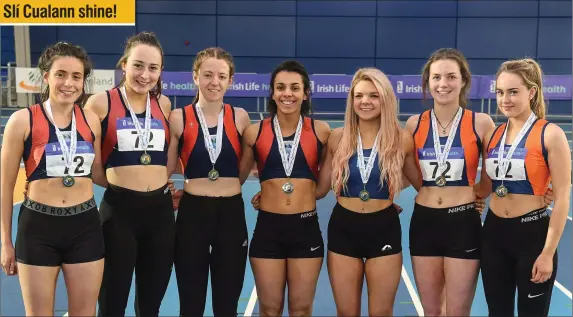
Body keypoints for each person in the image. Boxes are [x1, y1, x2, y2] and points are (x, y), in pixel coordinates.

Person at [0, 41, 105, 316]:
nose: (68, 83)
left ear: (84, 81)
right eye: (61, 74)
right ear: (46, 76)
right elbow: (5, 186)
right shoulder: (22, 121)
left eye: (76, 76)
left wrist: (150, 186)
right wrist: (5, 242)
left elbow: (98, 173)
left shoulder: (91, 120)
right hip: (38, 228)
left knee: (85, 313)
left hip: (85, 226)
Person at [313, 67, 421, 316]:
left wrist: (471, 199)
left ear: (385, 99)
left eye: (373, 95)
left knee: (381, 313)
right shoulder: (337, 138)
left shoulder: (401, 139)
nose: (365, 101)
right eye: (359, 95)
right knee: (347, 313)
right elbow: (319, 189)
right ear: (351, 100)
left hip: (383, 226)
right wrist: (277, 192)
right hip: (344, 226)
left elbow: (421, 185)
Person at [84, 31, 175, 317]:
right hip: (119, 212)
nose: (145, 75)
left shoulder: (164, 105)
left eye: (153, 68)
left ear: (160, 71)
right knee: (112, 301)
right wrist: (123, 185)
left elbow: (164, 157)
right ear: (124, 65)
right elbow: (93, 164)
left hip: (160, 214)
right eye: (138, 65)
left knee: (150, 303)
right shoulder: (100, 103)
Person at [404, 48, 496, 316]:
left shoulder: (481, 122)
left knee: (457, 311)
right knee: (431, 311)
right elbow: (409, 172)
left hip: (462, 224)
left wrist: (475, 194)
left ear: (463, 81)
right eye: (436, 77)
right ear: (427, 82)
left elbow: (490, 175)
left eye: (450, 77)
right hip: (424, 222)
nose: (443, 84)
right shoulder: (413, 124)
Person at [476, 58, 570, 317]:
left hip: (532, 237)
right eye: (500, 92)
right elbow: (485, 187)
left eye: (513, 91)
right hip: (494, 234)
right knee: (498, 312)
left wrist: (547, 253)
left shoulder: (550, 134)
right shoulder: (493, 135)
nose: (505, 99)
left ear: (531, 92)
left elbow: (562, 199)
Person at [239, 60, 331, 316]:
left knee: (301, 309)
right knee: (269, 309)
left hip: (305, 228)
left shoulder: (321, 132)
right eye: (280, 87)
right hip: (268, 228)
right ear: (272, 92)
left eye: (294, 87)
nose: (287, 93)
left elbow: (323, 189)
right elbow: (234, 179)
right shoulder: (254, 133)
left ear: (305, 93)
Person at [166, 47, 251, 317]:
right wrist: (162, 188)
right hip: (193, 214)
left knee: (227, 304)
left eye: (221, 76)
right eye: (208, 75)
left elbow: (247, 166)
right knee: (191, 303)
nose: (214, 82)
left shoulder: (240, 117)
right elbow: (167, 167)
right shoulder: (179, 118)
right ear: (195, 77)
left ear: (231, 80)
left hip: (231, 214)